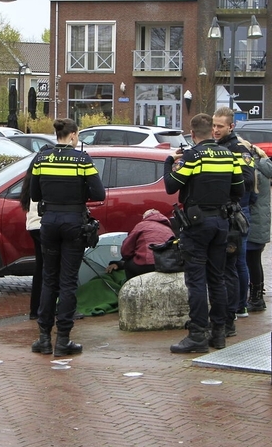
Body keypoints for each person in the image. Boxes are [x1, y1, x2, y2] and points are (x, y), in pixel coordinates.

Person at [164, 113, 244, 353]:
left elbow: (171, 186)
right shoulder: (229, 155)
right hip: (221, 223)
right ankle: (218, 333)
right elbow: (239, 190)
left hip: (197, 226)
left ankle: (198, 334)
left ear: (192, 134)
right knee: (217, 278)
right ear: (212, 130)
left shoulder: (193, 156)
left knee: (196, 281)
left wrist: (169, 161)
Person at [29, 118, 105, 357]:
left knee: (49, 279)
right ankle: (63, 341)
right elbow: (99, 193)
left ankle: (43, 339)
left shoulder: (41, 158)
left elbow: (34, 193)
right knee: (68, 281)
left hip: (49, 222)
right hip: (73, 222)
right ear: (73, 135)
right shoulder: (82, 159)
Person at [212, 106, 256, 337]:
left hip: (235, 215)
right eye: (214, 125)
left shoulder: (237, 149)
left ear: (231, 126)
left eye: (220, 126)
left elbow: (248, 179)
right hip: (222, 214)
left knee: (235, 264)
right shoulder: (216, 147)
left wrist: (224, 179)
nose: (216, 130)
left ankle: (237, 308)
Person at [20, 143, 54, 320]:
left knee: (40, 268)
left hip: (33, 225)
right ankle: (45, 310)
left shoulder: (31, 175)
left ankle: (35, 309)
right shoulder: (44, 173)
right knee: (50, 269)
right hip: (43, 226)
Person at [245, 143, 272, 313]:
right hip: (261, 224)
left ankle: (256, 297)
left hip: (254, 224)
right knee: (254, 260)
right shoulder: (263, 167)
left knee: (251, 261)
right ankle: (257, 295)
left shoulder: (254, 172)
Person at [107, 209, 172, 279]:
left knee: (128, 265)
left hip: (147, 264)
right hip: (168, 264)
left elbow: (125, 251)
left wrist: (121, 262)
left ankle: (132, 287)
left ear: (145, 217)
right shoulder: (169, 229)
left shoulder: (141, 225)